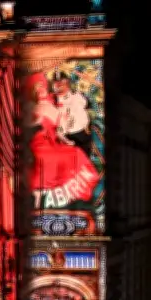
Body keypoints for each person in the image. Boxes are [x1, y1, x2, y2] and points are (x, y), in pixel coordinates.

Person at [25, 72, 99, 209]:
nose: (41, 91)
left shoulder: (57, 103)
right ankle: (43, 195)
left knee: (75, 152)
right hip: (39, 145)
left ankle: (73, 196)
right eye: (37, 88)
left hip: (55, 142)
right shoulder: (32, 107)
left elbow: (61, 128)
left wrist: (65, 139)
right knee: (60, 156)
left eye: (42, 87)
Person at [53, 71, 92, 155]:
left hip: (82, 134)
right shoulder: (52, 100)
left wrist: (88, 126)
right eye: (56, 82)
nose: (59, 84)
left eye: (62, 81)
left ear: (67, 82)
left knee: (85, 163)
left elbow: (89, 106)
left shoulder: (78, 95)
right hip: (65, 137)